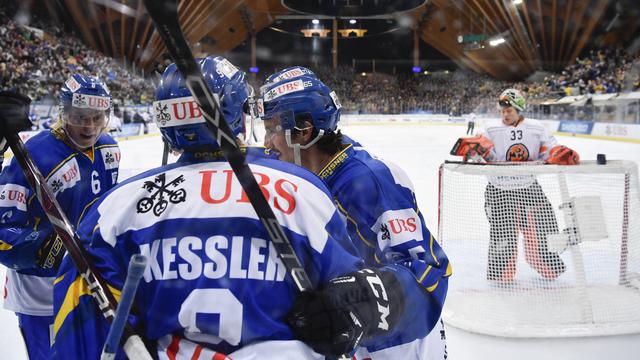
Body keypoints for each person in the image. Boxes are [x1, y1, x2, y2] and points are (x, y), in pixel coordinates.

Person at [52, 56, 414, 360]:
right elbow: (347, 304)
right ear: (236, 114)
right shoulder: (302, 191)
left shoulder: (115, 209)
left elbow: (77, 327)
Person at [260, 68, 451, 360]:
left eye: (273, 129)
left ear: (304, 131)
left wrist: (356, 298)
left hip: (399, 345)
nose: (267, 142)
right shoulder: (309, 176)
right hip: (350, 337)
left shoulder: (369, 181)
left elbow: (426, 272)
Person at [0, 74, 119, 359]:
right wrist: (37, 246)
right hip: (39, 291)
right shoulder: (32, 156)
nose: (89, 126)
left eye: (97, 116)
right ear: (63, 113)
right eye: (79, 116)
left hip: (92, 282)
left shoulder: (109, 148)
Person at [451, 88, 580, 282]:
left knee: (544, 231)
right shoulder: (491, 129)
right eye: (502, 111)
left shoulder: (537, 128)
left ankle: (548, 267)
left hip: (529, 187)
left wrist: (559, 153)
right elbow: (487, 157)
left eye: (509, 110)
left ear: (519, 109)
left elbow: (549, 151)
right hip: (499, 190)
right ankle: (501, 277)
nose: (505, 114)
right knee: (503, 237)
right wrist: (476, 153)